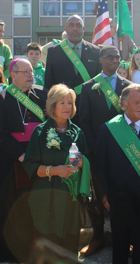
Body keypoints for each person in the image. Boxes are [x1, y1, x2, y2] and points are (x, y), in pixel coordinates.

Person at [0, 58, 48, 263]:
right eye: (25, 72)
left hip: (38, 160)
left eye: (31, 72)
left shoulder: (42, 95)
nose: (31, 75)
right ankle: (6, 252)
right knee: (9, 206)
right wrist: (21, 156)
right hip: (11, 161)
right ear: (13, 75)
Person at [95, 84, 140, 264]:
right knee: (120, 245)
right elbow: (99, 166)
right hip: (118, 198)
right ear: (123, 104)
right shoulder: (108, 129)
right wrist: (102, 194)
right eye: (136, 102)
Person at [23, 84, 90, 256]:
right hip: (47, 196)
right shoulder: (40, 132)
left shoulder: (78, 133)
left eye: (70, 102)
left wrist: (83, 163)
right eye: (62, 103)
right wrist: (55, 171)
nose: (67, 107)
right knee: (48, 246)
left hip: (71, 199)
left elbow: (87, 162)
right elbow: (30, 165)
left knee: (70, 243)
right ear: (52, 105)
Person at [79, 45, 132, 257]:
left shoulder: (129, 87)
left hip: (123, 152)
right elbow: (84, 120)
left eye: (117, 57)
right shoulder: (88, 87)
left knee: (123, 196)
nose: (114, 60)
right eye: (110, 56)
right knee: (97, 198)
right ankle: (97, 237)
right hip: (97, 152)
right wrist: (96, 149)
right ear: (100, 60)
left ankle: (125, 239)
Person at [44, 15, 102, 95]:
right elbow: (48, 83)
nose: (75, 28)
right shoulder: (53, 52)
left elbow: (99, 81)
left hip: (89, 103)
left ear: (83, 29)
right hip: (63, 102)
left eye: (79, 25)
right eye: (71, 25)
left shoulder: (95, 51)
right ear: (66, 29)